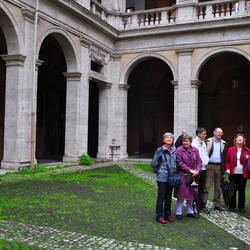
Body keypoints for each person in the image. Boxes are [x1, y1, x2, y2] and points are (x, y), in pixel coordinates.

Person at [174, 134, 202, 220]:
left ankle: (190, 211)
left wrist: (197, 170)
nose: (185, 143)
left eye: (187, 141)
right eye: (183, 141)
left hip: (193, 176)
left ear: (190, 142)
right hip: (182, 174)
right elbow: (180, 163)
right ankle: (178, 212)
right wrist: (190, 170)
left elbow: (199, 161)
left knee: (191, 193)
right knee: (181, 194)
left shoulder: (195, 150)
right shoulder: (179, 150)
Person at [151, 132, 177, 224]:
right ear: (164, 140)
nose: (169, 139)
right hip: (162, 177)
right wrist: (159, 171)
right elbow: (154, 164)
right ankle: (159, 216)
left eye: (171, 137)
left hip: (171, 177)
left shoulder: (174, 150)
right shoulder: (160, 150)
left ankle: (168, 215)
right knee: (161, 197)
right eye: (167, 137)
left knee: (168, 196)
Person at [204, 128, 228, 211]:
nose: (220, 134)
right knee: (207, 186)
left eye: (222, 132)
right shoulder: (207, 141)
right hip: (209, 166)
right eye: (219, 132)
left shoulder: (224, 143)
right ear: (214, 132)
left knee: (218, 187)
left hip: (219, 167)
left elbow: (224, 156)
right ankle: (203, 203)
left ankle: (216, 203)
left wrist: (224, 168)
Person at [225, 134, 249, 212]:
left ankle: (241, 206)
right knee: (232, 190)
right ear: (235, 140)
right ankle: (232, 206)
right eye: (238, 138)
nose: (239, 139)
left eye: (241, 138)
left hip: (243, 173)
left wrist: (248, 158)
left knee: (242, 191)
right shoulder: (230, 149)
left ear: (243, 141)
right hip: (233, 173)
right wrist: (227, 169)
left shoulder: (247, 150)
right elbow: (227, 161)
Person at [191, 127, 210, 214]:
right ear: (199, 134)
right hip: (196, 169)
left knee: (201, 188)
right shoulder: (194, 143)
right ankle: (193, 205)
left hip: (204, 169)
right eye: (204, 134)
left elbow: (205, 154)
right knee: (195, 188)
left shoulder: (203, 143)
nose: (205, 135)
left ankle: (201, 205)